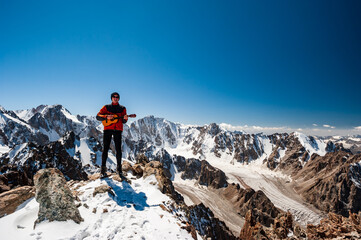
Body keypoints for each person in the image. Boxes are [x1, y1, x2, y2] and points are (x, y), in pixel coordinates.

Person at [96, 92, 128, 177]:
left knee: (118, 150)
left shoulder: (123, 108)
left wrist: (125, 119)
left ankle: (119, 169)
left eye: (117, 97)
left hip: (118, 130)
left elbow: (123, 121)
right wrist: (106, 117)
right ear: (111, 98)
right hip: (108, 129)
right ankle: (103, 170)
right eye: (114, 97)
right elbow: (98, 116)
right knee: (105, 149)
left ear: (118, 98)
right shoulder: (106, 107)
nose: (115, 98)